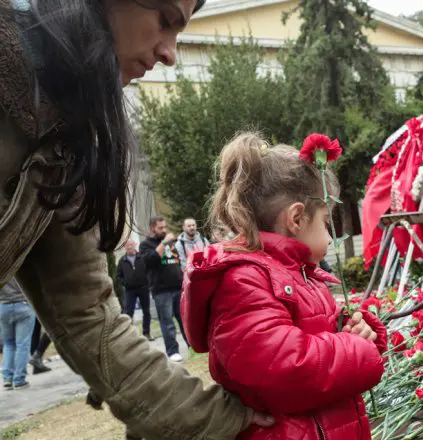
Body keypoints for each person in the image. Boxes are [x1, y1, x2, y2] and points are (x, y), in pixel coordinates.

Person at [0, 0, 272, 437]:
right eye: (165, 20)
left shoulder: (69, 140)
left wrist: (220, 419)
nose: (170, 52)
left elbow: (89, 319)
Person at [181, 133, 387, 440]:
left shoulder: (295, 274)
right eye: (326, 222)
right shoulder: (242, 280)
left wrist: (351, 328)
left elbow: (310, 330)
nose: (330, 237)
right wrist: (357, 348)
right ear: (297, 219)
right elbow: (285, 368)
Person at [140, 217, 187, 362]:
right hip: (161, 291)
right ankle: (173, 351)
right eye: (161, 228)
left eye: (165, 227)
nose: (164, 230)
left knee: (184, 320)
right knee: (167, 323)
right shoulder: (145, 245)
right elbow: (151, 260)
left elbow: (176, 261)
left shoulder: (171, 242)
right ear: (153, 228)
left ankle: (192, 346)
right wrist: (164, 242)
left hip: (177, 287)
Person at [1, 278, 35, 390]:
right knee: (22, 344)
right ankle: (19, 380)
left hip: (3, 306)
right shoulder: (18, 263)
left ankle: (7, 378)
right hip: (23, 304)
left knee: (8, 344)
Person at [117, 239, 153, 341]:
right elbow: (118, 276)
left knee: (146, 312)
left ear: (135, 245)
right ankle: (130, 337)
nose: (129, 247)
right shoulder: (122, 261)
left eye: (131, 245)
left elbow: (149, 271)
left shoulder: (142, 257)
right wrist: (125, 283)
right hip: (130, 291)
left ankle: (146, 333)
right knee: (128, 313)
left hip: (143, 288)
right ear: (124, 248)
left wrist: (147, 282)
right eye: (127, 245)